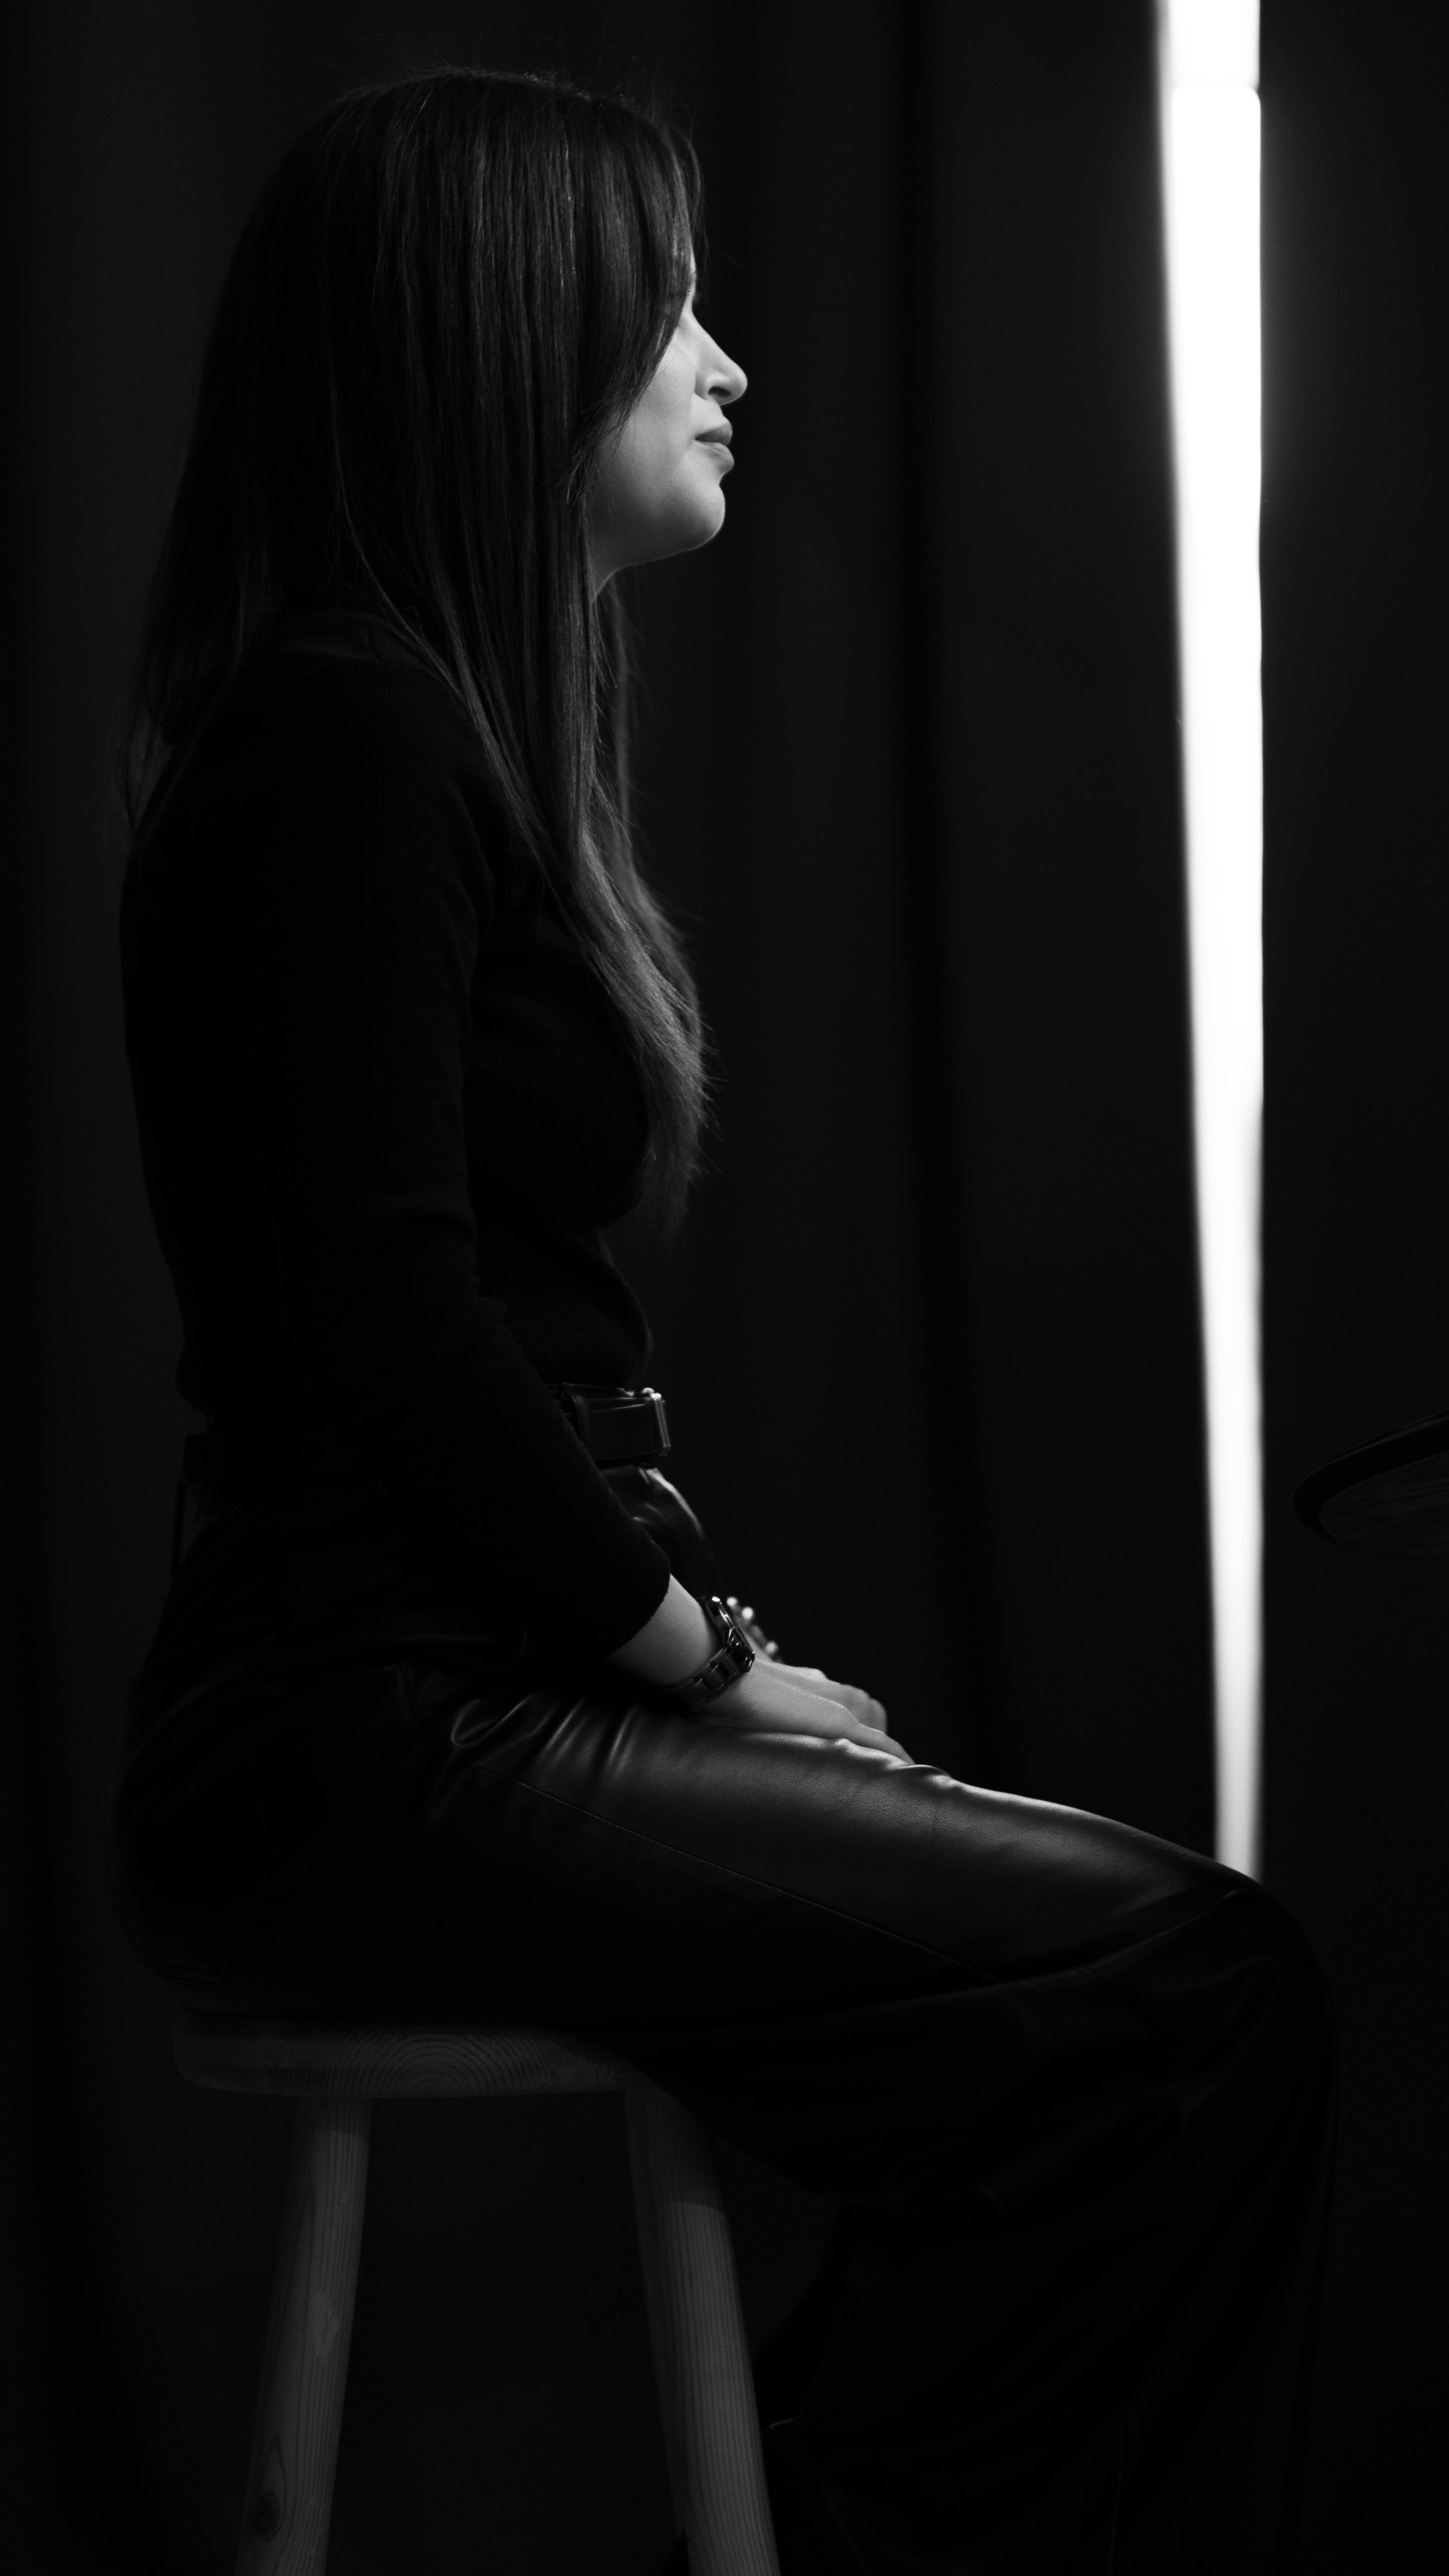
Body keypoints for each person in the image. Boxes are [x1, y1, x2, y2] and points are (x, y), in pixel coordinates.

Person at [108, 65, 1337, 2575]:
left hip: (459, 1706)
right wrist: (690, 1650)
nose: (724, 356)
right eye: (660, 299)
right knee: (1195, 1987)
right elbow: (380, 1314)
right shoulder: (341, 730)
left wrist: (668, 1659)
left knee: (1141, 2020)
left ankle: (854, 2500)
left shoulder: (422, 727)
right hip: (372, 1744)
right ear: (496, 339)